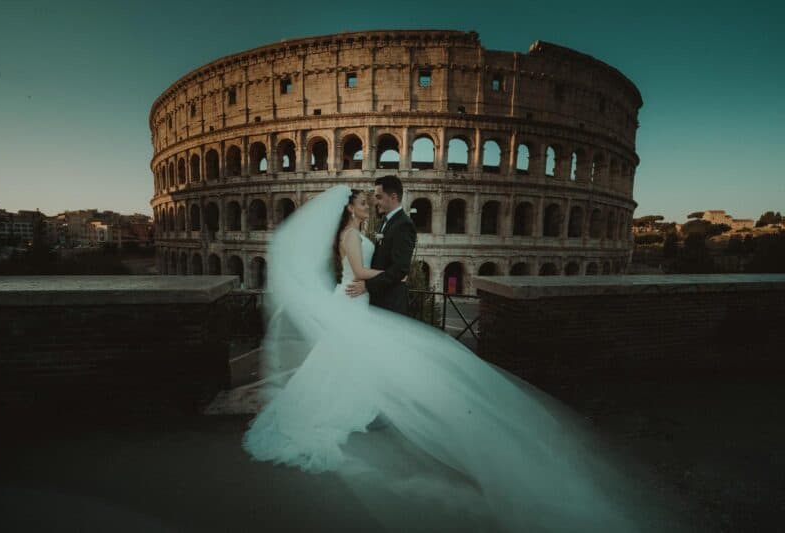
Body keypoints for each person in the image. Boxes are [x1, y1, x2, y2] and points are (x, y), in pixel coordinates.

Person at [241, 184, 684, 532]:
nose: (368, 205)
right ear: (350, 209)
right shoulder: (351, 235)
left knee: (342, 359)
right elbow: (358, 272)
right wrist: (394, 276)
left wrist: (382, 274)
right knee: (344, 358)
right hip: (354, 297)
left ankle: (347, 404)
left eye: (370, 200)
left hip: (356, 300)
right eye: (362, 202)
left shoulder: (357, 233)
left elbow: (361, 268)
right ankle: (335, 408)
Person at [345, 175, 416, 316]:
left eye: (379, 197)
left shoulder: (404, 225)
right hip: (378, 299)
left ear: (393, 197)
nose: (375, 202)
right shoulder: (384, 221)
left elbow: (400, 268)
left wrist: (367, 285)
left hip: (391, 302)